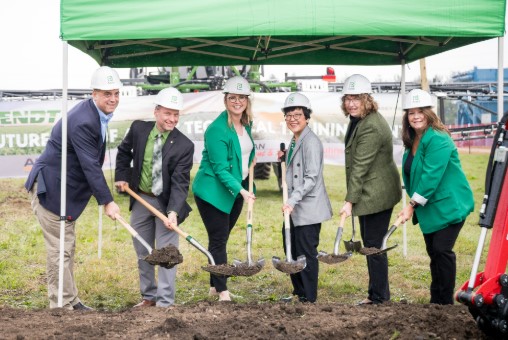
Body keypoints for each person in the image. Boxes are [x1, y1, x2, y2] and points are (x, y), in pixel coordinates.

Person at [24, 66, 123, 311]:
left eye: (116, 93)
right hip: (51, 190)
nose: (113, 99)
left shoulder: (95, 114)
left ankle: (70, 299)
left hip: (64, 188)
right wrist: (107, 201)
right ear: (94, 94)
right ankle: (60, 306)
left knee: (67, 246)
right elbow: (90, 165)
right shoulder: (84, 121)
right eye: (107, 93)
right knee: (60, 250)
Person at [115, 87, 194, 308]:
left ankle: (165, 302)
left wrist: (173, 212)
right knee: (143, 249)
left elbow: (180, 183)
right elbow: (123, 152)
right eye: (168, 113)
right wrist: (122, 176)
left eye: (176, 114)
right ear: (157, 111)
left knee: (167, 254)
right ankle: (149, 296)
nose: (172, 119)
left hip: (165, 203)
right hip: (140, 197)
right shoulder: (139, 129)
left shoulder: (184, 145)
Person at [397, 89, 474, 305]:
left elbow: (431, 177)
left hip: (449, 205)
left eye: (420, 111)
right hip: (430, 208)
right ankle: (436, 302)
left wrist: (411, 205)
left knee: (442, 250)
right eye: (411, 112)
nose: (416, 116)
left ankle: (445, 303)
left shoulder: (438, 139)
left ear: (429, 113)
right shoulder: (412, 140)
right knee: (434, 253)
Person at [192, 76, 256, 302]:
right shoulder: (217, 129)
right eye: (232, 98)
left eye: (241, 98)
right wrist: (242, 191)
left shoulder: (245, 124)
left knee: (220, 238)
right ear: (225, 100)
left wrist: (250, 169)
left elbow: (245, 154)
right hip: (213, 192)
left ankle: (213, 285)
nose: (237, 102)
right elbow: (220, 169)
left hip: (235, 190)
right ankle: (223, 292)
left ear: (247, 100)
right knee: (219, 240)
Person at [339, 74, 402, 305]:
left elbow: (360, 167)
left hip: (377, 193)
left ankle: (379, 298)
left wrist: (349, 200)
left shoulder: (371, 126)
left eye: (356, 98)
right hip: (370, 190)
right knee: (371, 244)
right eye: (348, 98)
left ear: (367, 99)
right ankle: (376, 294)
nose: (351, 103)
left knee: (374, 246)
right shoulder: (360, 120)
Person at [279, 93, 332, 303]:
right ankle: (299, 292)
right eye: (289, 115)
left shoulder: (311, 142)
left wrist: (292, 200)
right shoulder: (295, 140)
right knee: (290, 248)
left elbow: (311, 178)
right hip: (294, 207)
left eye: (298, 114)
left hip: (307, 208)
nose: (293, 119)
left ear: (307, 117)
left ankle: (309, 298)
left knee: (306, 253)